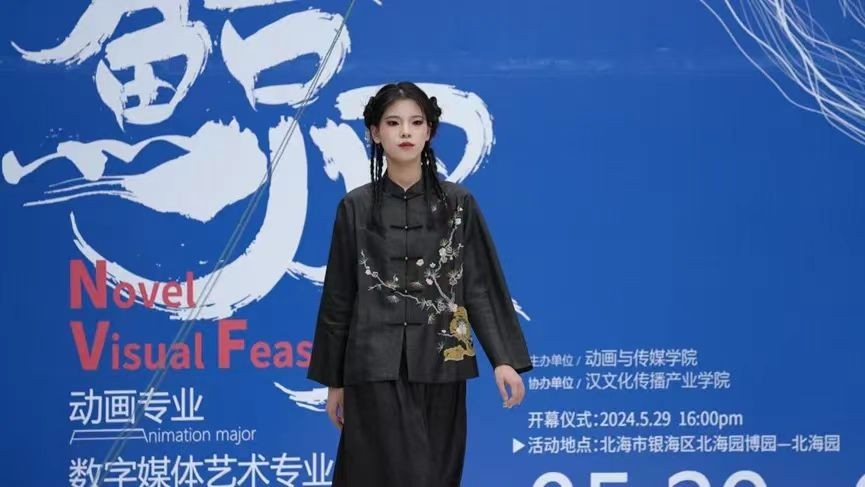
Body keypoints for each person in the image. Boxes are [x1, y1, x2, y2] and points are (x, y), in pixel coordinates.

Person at [306, 81, 532, 486]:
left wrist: (504, 359)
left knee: (436, 475)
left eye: (415, 122)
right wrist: (334, 382)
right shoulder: (354, 207)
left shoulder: (458, 204)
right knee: (388, 474)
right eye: (393, 123)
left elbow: (480, 285)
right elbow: (339, 297)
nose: (405, 132)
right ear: (375, 133)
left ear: (430, 131)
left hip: (443, 362)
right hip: (374, 366)